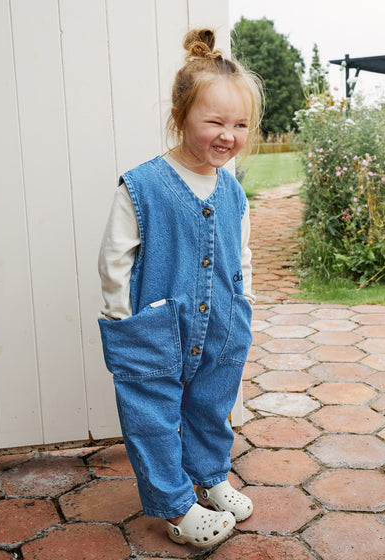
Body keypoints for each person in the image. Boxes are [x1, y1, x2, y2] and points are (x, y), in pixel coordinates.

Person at [98, 28, 263, 548]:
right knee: (154, 417)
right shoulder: (144, 185)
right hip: (156, 328)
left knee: (212, 405)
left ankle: (210, 475)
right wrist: (123, 320)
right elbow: (115, 257)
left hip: (222, 323)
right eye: (213, 121)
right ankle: (174, 505)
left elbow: (242, 252)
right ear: (180, 115)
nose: (227, 135)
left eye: (239, 125)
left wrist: (245, 301)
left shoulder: (233, 190)